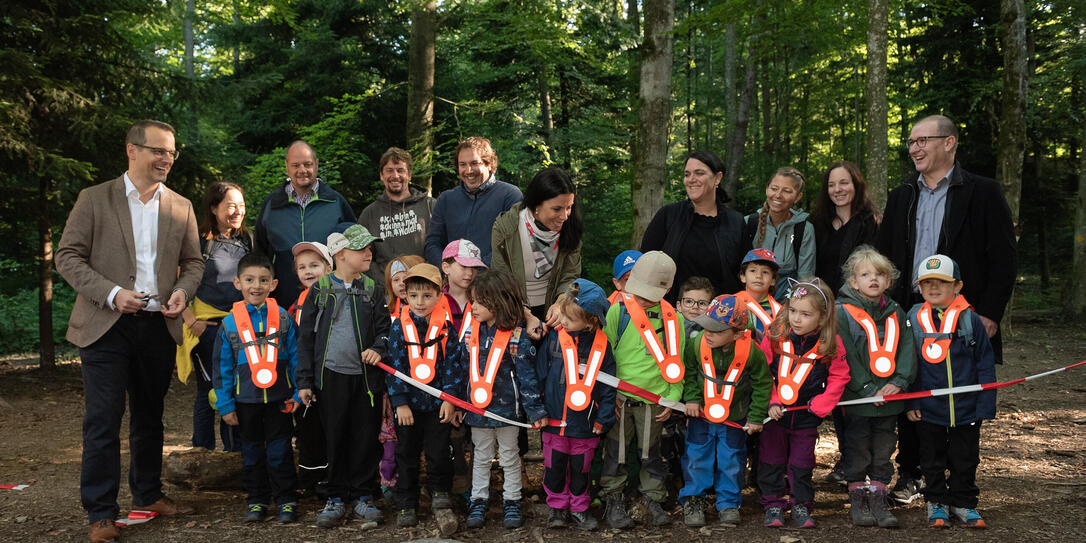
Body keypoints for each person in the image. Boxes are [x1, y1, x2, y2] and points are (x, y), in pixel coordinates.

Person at [55, 119, 202, 543]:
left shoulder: (181, 205)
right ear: (131, 150)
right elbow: (67, 257)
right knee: (103, 421)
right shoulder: (94, 198)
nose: (166, 159)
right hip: (105, 326)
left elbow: (194, 263)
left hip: (158, 326)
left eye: (171, 152)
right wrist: (112, 292)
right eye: (158, 150)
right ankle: (101, 513)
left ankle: (148, 494)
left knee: (149, 417)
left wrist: (181, 291)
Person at [875, 114, 1016, 504]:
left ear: (949, 142)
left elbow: (1004, 258)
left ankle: (960, 481)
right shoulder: (903, 194)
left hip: (964, 318)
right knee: (910, 386)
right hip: (910, 314)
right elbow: (887, 256)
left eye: (923, 140)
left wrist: (988, 314)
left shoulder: (982, 191)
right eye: (911, 142)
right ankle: (912, 474)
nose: (914, 148)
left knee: (959, 394)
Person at [295, 225, 390, 528]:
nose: (368, 253)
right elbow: (306, 339)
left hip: (366, 381)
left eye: (369, 248)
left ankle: (364, 495)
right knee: (333, 436)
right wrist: (306, 381)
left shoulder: (373, 289)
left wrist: (378, 348)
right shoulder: (320, 290)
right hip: (330, 378)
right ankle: (334, 496)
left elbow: (387, 332)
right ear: (340, 254)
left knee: (365, 436)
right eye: (361, 249)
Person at [906, 254, 996, 529]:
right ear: (919, 288)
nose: (934, 288)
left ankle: (964, 502)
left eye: (942, 282)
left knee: (966, 458)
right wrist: (913, 400)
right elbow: (910, 364)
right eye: (927, 282)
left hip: (967, 407)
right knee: (931, 458)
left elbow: (985, 362)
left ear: (957, 286)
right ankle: (937, 501)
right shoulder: (915, 319)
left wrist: (986, 404)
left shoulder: (970, 320)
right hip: (930, 408)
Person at [599, 251, 687, 529]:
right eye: (639, 290)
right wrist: (607, 395)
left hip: (655, 400)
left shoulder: (675, 319)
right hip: (621, 398)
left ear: (668, 289)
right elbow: (606, 356)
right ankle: (613, 497)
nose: (643, 298)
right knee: (617, 452)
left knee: (652, 453)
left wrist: (672, 398)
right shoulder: (619, 311)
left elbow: (678, 363)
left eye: (650, 293)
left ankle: (653, 498)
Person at [211, 253, 300, 523]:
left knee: (280, 452)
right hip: (245, 401)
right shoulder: (229, 323)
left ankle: (286, 500)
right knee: (251, 455)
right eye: (249, 280)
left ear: (273, 284)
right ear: (238, 283)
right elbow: (222, 368)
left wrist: (297, 391)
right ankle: (257, 500)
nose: (256, 286)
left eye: (263, 280)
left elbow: (296, 358)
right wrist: (225, 405)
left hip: (278, 400)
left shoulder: (284, 319)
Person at [757, 278, 849, 529]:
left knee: (801, 463)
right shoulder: (775, 335)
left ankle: (801, 505)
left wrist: (824, 402)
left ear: (821, 318)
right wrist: (772, 400)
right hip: (775, 416)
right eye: (793, 311)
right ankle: (773, 504)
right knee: (771, 460)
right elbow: (762, 372)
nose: (796, 319)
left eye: (805, 314)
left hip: (806, 416)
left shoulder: (830, 343)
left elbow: (840, 376)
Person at [834, 247, 915, 528]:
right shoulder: (841, 312)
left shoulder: (896, 311)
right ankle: (858, 498)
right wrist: (868, 388)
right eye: (865, 274)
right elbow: (844, 355)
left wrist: (899, 382)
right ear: (853, 282)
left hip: (890, 398)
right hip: (858, 398)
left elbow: (907, 349)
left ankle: (879, 497)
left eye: (880, 274)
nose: (873, 279)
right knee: (857, 449)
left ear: (888, 281)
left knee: (884, 448)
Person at [462, 270, 548, 530]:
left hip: (508, 413)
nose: (473, 307)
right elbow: (460, 370)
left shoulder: (516, 336)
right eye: (472, 300)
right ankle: (478, 499)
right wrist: (457, 403)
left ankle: (512, 500)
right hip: (477, 411)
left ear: (497, 302)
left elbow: (527, 378)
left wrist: (535, 411)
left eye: (478, 301)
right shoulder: (470, 334)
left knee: (510, 456)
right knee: (480, 456)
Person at [679, 295, 770, 528]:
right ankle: (693, 500)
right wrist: (691, 398)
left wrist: (757, 415)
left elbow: (763, 384)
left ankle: (728, 503)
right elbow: (688, 372)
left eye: (717, 330)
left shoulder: (753, 352)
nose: (709, 333)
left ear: (738, 333)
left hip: (734, 417)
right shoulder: (696, 343)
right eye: (707, 326)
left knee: (732, 461)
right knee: (696, 457)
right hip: (701, 416)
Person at [384, 263, 464, 527]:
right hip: (408, 408)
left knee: (439, 452)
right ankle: (407, 502)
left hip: (436, 406)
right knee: (406, 453)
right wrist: (400, 403)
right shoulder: (397, 327)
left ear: (440, 296)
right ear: (404, 295)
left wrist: (449, 399)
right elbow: (394, 367)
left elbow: (453, 365)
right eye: (414, 295)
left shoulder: (445, 328)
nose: (420, 302)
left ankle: (440, 492)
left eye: (427, 296)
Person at [534, 279, 617, 531]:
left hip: (586, 425)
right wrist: (537, 409)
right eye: (564, 316)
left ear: (591, 320)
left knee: (582, 470)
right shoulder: (553, 340)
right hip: (555, 423)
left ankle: (580, 508)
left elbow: (608, 386)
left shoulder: (603, 347)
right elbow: (540, 374)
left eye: (570, 318)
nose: (564, 322)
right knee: (554, 467)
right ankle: (557, 508)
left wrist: (604, 418)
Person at [178, 181, 249, 453]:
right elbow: (176, 280)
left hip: (239, 326)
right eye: (230, 205)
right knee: (207, 390)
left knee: (233, 388)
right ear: (213, 207)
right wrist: (189, 319)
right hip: (206, 327)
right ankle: (202, 454)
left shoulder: (246, 240)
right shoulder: (198, 241)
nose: (237, 211)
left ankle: (234, 454)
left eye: (241, 206)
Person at [254, 140, 356, 303]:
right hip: (284, 299)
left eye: (307, 164)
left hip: (332, 298)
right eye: (296, 165)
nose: (302, 170)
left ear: (316, 164)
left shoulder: (335, 202)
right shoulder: (271, 205)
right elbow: (260, 255)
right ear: (287, 166)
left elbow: (354, 249)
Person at [641, 151, 747, 303]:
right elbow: (646, 264)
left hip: (721, 317)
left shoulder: (735, 222)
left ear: (717, 178)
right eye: (687, 174)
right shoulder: (668, 216)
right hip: (671, 314)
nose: (691, 179)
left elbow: (744, 275)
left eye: (699, 173)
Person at [491, 166, 582, 326]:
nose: (565, 216)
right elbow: (500, 280)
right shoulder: (505, 227)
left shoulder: (571, 227)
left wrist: (561, 303)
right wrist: (526, 315)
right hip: (513, 308)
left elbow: (573, 279)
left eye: (569, 207)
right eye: (557, 209)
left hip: (556, 309)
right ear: (536, 205)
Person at [424, 137, 522, 266]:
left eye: (475, 163)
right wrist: (449, 271)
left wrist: (476, 272)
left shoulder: (509, 195)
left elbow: (512, 244)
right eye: (462, 164)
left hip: (496, 281)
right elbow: (432, 244)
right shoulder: (446, 200)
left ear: (490, 165)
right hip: (453, 281)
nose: (468, 170)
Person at [286, 241, 333, 499]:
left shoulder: (338, 296)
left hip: (333, 378)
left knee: (331, 430)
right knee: (307, 431)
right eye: (302, 267)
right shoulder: (297, 305)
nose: (308, 271)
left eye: (314, 265)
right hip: (305, 381)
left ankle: (331, 477)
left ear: (328, 267)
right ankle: (309, 479)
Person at [358, 147, 436, 283]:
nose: (395, 176)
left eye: (400, 170)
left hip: (425, 287)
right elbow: (360, 255)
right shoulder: (370, 214)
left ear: (409, 175)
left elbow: (442, 246)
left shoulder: (431, 206)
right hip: (385, 293)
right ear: (381, 175)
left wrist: (427, 277)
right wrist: (384, 282)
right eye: (389, 170)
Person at [746, 167, 817, 295]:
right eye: (774, 189)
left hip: (787, 302)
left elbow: (805, 280)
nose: (778, 195)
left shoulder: (803, 229)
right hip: (751, 300)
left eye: (787, 191)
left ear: (797, 197)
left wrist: (792, 307)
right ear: (767, 189)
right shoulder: (749, 223)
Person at [810, 161, 879, 293]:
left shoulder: (871, 223)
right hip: (819, 302)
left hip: (856, 305)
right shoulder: (815, 223)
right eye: (831, 185)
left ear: (856, 185)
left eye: (844, 183)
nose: (837, 189)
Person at [441, 239, 487, 335]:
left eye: (474, 267)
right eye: (464, 266)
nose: (470, 273)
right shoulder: (435, 300)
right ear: (446, 268)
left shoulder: (487, 300)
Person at [734, 249, 782, 339]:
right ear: (743, 277)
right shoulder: (733, 303)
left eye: (765, 272)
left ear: (773, 280)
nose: (759, 276)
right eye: (753, 271)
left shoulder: (780, 311)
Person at [384, 255, 426, 322]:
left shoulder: (429, 306)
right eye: (396, 280)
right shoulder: (387, 308)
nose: (401, 283)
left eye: (406, 278)